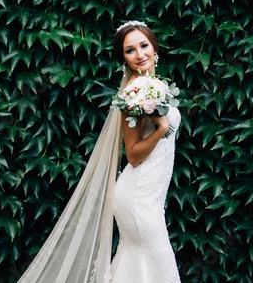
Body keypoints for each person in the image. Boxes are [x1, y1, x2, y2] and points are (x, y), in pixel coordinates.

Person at [17, 21, 181, 283]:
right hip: (138, 197)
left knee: (137, 264)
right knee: (158, 262)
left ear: (154, 46)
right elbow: (134, 156)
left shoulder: (154, 85)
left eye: (143, 45)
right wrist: (161, 129)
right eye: (130, 51)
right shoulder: (135, 93)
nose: (140, 54)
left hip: (150, 194)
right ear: (123, 59)